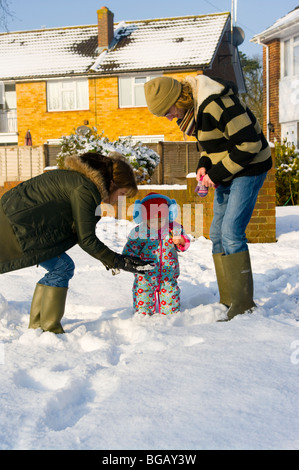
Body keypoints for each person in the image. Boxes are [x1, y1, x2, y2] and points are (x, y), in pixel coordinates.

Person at [144, 75, 272, 321]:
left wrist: (217, 173)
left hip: (250, 168)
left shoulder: (217, 104)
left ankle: (244, 306)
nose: (169, 118)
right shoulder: (195, 112)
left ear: (177, 99)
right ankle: (229, 299)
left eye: (167, 111)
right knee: (216, 234)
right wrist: (204, 164)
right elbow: (209, 146)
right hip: (228, 170)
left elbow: (249, 144)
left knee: (232, 232)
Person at [0, 151, 151, 333]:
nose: (120, 200)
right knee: (62, 267)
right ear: (112, 183)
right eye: (122, 193)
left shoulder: (78, 181)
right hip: (17, 230)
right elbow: (86, 238)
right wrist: (119, 261)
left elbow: (77, 229)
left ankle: (39, 327)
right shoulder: (84, 188)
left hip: (19, 226)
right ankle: (47, 329)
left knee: (61, 266)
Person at [122, 193, 190, 316]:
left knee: (171, 307)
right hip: (145, 276)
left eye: (160, 220)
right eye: (151, 221)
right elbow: (130, 248)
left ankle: (171, 320)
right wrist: (128, 259)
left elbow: (184, 243)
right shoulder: (140, 232)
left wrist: (181, 241)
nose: (156, 224)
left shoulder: (174, 229)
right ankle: (142, 319)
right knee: (143, 302)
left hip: (168, 275)